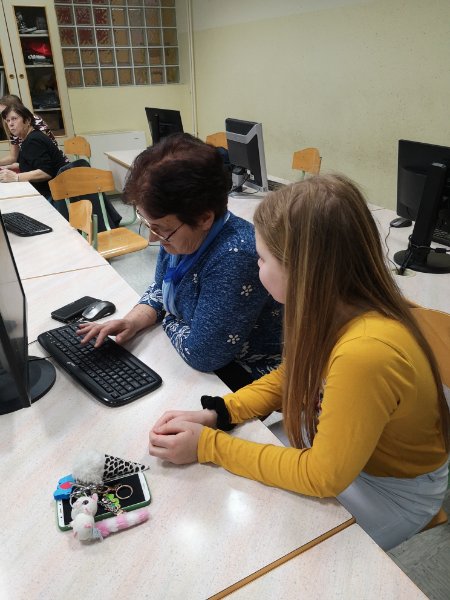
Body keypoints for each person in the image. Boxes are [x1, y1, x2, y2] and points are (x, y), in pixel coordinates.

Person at [148, 174, 449, 551]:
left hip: (390, 491)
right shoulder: (333, 305)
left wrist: (209, 446)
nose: (256, 265)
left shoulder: (365, 352)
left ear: (303, 270)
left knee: (261, 541)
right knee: (230, 493)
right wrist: (222, 412)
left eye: (262, 258)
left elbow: (322, 476)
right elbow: (291, 375)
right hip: (342, 452)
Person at [77, 133, 282, 390]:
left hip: (248, 376)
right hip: (208, 363)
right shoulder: (180, 233)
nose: (153, 238)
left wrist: (168, 318)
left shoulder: (235, 257)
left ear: (204, 218)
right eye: (148, 224)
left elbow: (203, 354)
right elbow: (161, 287)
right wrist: (133, 320)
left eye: (160, 228)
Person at [0, 104, 67, 198]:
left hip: (54, 195)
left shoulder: (33, 140)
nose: (10, 124)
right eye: (8, 120)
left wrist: (15, 177)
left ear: (27, 120)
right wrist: (8, 167)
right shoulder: (30, 137)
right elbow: (32, 163)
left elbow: (46, 172)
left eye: (14, 119)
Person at [0, 94, 69, 169]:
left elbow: (44, 161)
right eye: (3, 115)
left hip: (56, 167)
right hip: (38, 164)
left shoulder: (34, 127)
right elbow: (13, 157)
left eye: (6, 112)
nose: (5, 119)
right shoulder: (14, 126)